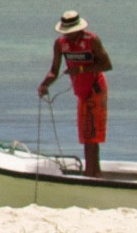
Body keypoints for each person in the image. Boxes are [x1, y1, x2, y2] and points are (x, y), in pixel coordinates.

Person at [39, 10, 113, 176]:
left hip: (95, 89)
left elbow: (106, 65)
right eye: (67, 33)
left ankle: (93, 174)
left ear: (79, 29)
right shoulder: (60, 44)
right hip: (81, 92)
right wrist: (44, 85)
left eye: (72, 32)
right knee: (86, 135)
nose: (70, 36)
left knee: (92, 136)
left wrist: (80, 69)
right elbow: (54, 71)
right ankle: (92, 173)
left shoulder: (91, 40)